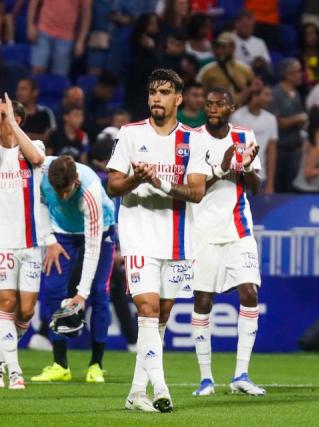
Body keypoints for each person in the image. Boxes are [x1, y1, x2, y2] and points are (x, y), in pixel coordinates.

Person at [106, 68, 211, 413]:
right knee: (147, 309)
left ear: (178, 98)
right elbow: (113, 185)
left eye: (164, 92)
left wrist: (161, 184)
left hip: (179, 240)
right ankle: (162, 389)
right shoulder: (131, 134)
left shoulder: (194, 140)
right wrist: (137, 178)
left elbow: (196, 192)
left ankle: (137, 392)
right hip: (139, 236)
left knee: (160, 316)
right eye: (152, 91)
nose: (156, 98)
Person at [190, 87, 265, 396]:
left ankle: (241, 374)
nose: (212, 108)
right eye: (209, 104)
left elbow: (256, 188)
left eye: (219, 104)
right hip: (202, 232)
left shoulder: (246, 136)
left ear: (232, 107)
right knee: (203, 301)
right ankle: (206, 378)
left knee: (249, 293)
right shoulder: (192, 138)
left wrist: (246, 167)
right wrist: (220, 168)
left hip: (239, 230)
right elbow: (191, 186)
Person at [0, 92, 51, 390]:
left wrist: (11, 124)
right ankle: (15, 370)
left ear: (18, 120)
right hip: (1, 241)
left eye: (8, 116)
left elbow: (37, 158)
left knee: (27, 311)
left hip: (30, 241)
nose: (3, 120)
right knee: (6, 302)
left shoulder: (33, 147)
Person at [30, 155, 115, 383]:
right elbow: (40, 204)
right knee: (52, 291)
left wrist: (81, 294)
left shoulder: (90, 191)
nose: (64, 196)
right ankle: (60, 365)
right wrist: (49, 240)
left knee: (98, 293)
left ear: (76, 181)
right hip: (61, 234)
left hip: (100, 232)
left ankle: (96, 364)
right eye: (59, 192)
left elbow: (92, 249)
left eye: (67, 191)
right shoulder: (42, 174)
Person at [231, 84, 277, 194]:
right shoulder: (237, 117)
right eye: (266, 95)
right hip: (240, 177)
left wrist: (270, 183)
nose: (270, 99)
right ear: (255, 96)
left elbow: (271, 151)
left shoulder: (271, 119)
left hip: (262, 176)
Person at [27, 0, 91, 76]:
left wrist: (81, 41)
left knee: (59, 76)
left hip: (66, 38)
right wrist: (30, 25)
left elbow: (86, 14)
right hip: (43, 31)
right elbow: (34, 2)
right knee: (37, 71)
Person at [270, 58, 306, 193]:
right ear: (287, 74)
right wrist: (297, 119)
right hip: (281, 149)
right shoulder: (276, 94)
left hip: (295, 148)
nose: (300, 75)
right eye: (297, 72)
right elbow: (274, 122)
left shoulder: (296, 93)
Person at [196, 33, 255, 106]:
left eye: (223, 48)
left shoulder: (245, 69)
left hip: (241, 114)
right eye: (217, 48)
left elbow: (253, 94)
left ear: (232, 47)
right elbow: (197, 95)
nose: (219, 51)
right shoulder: (207, 70)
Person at [16, 78, 57, 143]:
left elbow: (50, 137)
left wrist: (27, 135)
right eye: (18, 89)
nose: (19, 92)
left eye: (24, 89)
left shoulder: (46, 113)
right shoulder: (13, 113)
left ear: (34, 92)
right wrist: (38, 136)